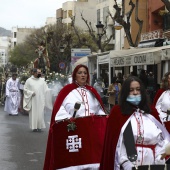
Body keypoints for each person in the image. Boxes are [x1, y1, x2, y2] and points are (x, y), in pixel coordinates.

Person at [100, 76, 170, 170]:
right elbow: (116, 143)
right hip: (129, 162)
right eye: (131, 90)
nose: (135, 92)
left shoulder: (151, 111)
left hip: (152, 163)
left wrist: (159, 157)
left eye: (138, 89)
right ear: (125, 92)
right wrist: (126, 163)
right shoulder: (118, 112)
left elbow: (161, 140)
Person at [44, 64, 106, 170]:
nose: (83, 75)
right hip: (75, 133)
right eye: (80, 73)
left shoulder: (92, 91)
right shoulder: (66, 91)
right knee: (76, 162)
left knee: (91, 160)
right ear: (75, 75)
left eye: (85, 73)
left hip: (91, 134)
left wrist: (99, 118)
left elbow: (100, 110)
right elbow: (59, 111)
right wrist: (69, 120)